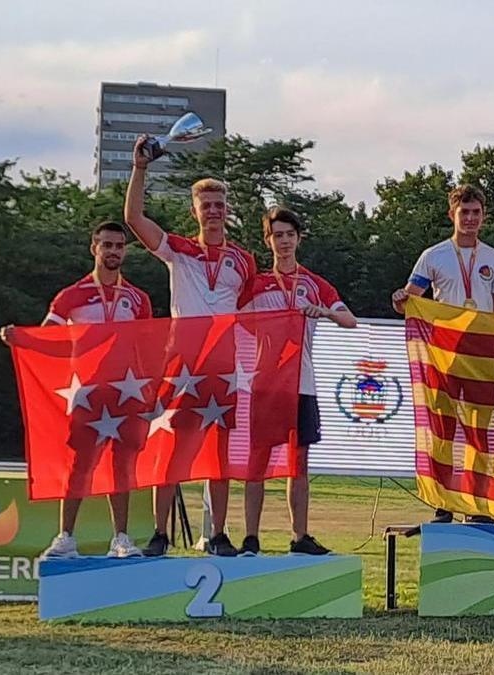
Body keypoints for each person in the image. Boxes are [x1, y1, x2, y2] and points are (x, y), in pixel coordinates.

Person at [124, 136, 257, 557]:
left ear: (227, 211)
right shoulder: (178, 250)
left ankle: (218, 535)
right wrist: (140, 169)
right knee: (172, 448)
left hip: (224, 366)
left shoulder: (244, 260)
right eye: (207, 205)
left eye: (220, 204)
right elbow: (133, 218)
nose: (214, 211)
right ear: (194, 211)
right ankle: (160, 534)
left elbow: (255, 311)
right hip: (182, 364)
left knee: (219, 455)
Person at [236, 207, 357, 555]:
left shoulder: (315, 284)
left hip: (302, 383)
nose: (284, 241)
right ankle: (251, 537)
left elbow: (349, 321)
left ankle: (299, 536)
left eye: (290, 234)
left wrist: (326, 312)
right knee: (257, 459)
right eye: (277, 235)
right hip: (266, 383)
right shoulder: (256, 284)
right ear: (268, 240)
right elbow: (236, 321)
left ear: (299, 238)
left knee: (298, 461)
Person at [31, 222, 152, 559]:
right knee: (79, 465)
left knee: (122, 465)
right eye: (107, 245)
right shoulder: (72, 295)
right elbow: (48, 339)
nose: (113, 251)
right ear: (93, 248)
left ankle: (122, 538)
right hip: (87, 392)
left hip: (126, 392)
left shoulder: (138, 299)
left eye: (119, 246)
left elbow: (146, 349)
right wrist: (20, 339)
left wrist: (149, 392)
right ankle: (66, 537)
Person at [392, 184, 494, 526]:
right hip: (445, 352)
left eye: (475, 212)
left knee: (479, 431)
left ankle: (478, 503)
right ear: (452, 215)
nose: (470, 218)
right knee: (442, 428)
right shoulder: (433, 255)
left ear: (483, 217)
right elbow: (409, 299)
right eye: (464, 212)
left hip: (483, 352)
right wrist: (399, 298)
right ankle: (444, 504)